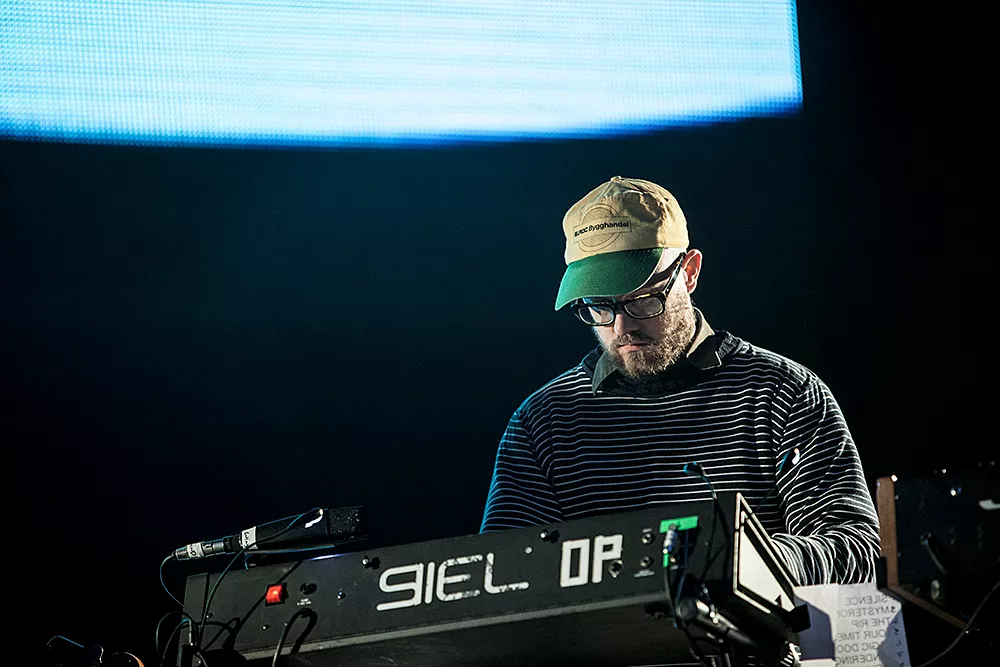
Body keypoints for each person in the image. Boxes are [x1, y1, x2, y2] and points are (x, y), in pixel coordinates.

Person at [480, 176, 880, 586]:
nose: (621, 327)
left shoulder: (782, 394)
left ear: (689, 272)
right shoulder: (543, 423)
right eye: (599, 306)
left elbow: (855, 551)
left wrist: (726, 560)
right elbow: (502, 580)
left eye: (642, 300)